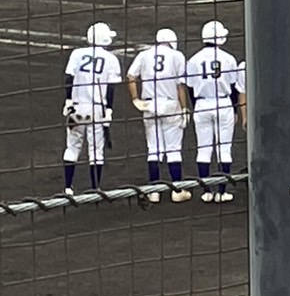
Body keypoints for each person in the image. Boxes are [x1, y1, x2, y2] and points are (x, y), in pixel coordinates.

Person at [128, 28, 190, 203]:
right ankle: (177, 189)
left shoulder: (144, 55)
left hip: (150, 105)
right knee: (173, 149)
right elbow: (180, 86)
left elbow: (131, 76)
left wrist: (135, 98)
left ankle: (154, 191)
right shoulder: (177, 56)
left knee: (153, 149)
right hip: (170, 105)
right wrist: (184, 108)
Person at [185, 21, 245, 204]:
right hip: (224, 103)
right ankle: (222, 191)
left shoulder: (194, 59)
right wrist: (235, 110)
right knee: (224, 149)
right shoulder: (228, 58)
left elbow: (189, 88)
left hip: (202, 104)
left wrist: (197, 107)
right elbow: (235, 87)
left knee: (203, 150)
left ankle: (206, 191)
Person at [62, 22, 122, 197]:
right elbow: (111, 88)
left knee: (72, 147)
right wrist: (109, 109)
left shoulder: (77, 54)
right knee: (96, 151)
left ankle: (67, 187)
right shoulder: (111, 59)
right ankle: (95, 188)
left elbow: (69, 77)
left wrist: (68, 100)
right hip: (97, 110)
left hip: (76, 108)